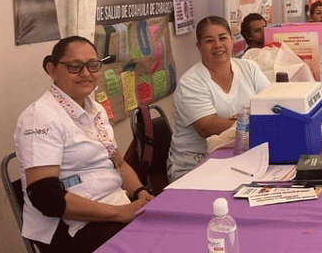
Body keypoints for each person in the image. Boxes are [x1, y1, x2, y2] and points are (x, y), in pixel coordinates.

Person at [14, 36, 153, 253]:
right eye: (75, 66)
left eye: (93, 65)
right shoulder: (40, 117)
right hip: (75, 227)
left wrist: (139, 192)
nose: (86, 73)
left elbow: (120, 165)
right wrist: (121, 213)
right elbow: (46, 197)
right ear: (52, 69)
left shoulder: (95, 108)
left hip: (116, 207)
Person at [168, 16, 271, 181]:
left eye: (223, 38)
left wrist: (245, 120)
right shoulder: (190, 82)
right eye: (209, 41)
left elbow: (271, 103)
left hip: (241, 157)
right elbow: (207, 127)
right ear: (199, 46)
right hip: (196, 165)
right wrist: (249, 120)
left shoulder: (249, 68)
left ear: (232, 40)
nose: (217, 45)